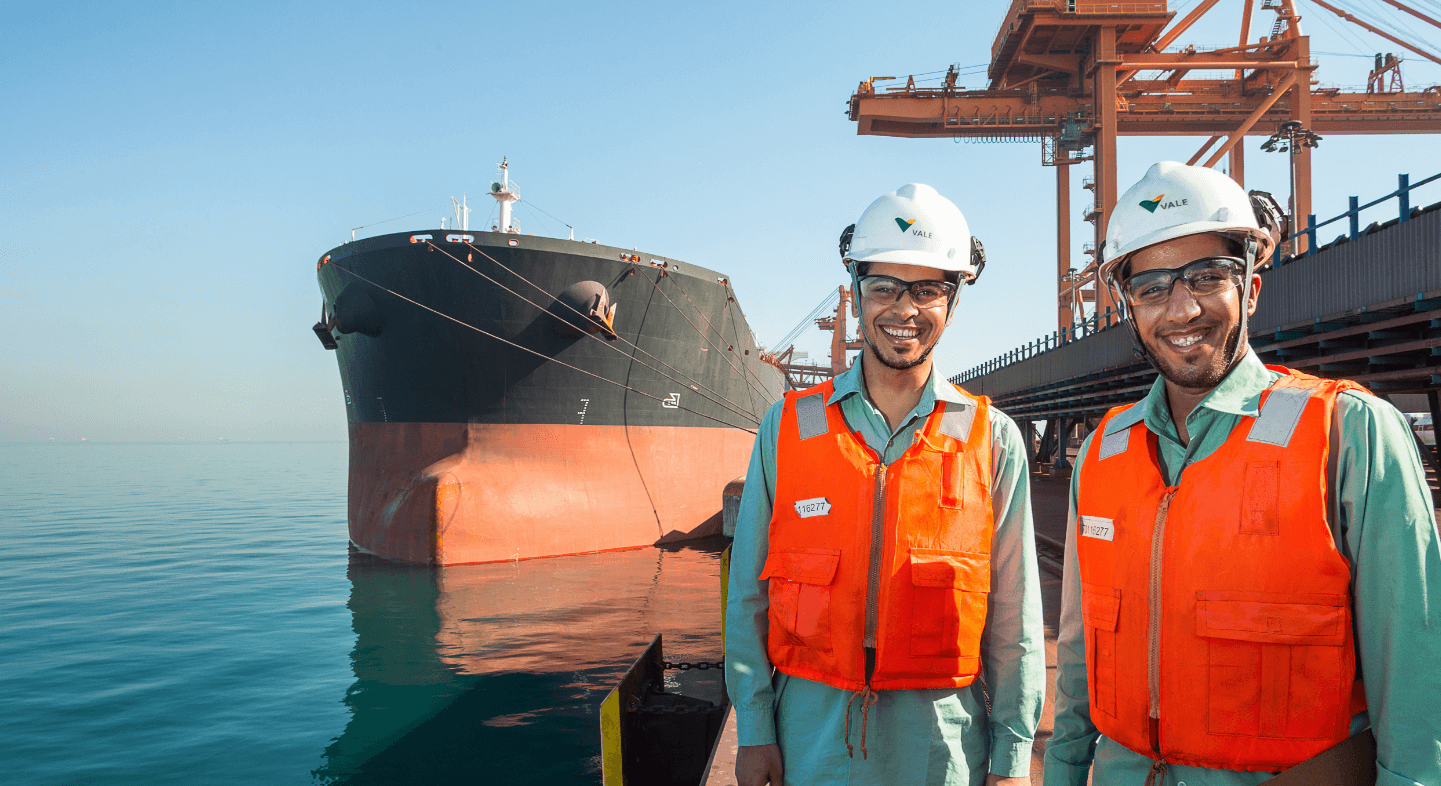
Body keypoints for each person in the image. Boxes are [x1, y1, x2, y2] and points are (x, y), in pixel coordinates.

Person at [1043, 161, 1441, 786]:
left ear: (1251, 289)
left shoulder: (1351, 433)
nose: (1182, 308)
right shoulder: (1099, 453)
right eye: (1151, 288)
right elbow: (1076, 656)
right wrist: (1063, 773)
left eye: (1207, 277)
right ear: (1128, 309)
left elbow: (1416, 675)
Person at [726, 183, 1046, 786]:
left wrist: (1010, 758)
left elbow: (1015, 619)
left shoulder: (993, 438)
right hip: (810, 739)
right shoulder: (786, 428)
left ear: (953, 301)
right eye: (883, 287)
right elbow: (748, 593)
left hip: (942, 749)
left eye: (927, 289)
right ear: (856, 290)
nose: (904, 309)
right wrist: (754, 728)